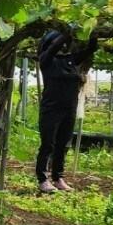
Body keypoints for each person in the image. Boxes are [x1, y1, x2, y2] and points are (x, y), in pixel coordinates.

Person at [35, 29, 97, 194]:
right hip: (51, 109)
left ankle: (58, 177)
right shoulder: (46, 60)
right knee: (48, 144)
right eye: (59, 43)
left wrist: (93, 31)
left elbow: (91, 49)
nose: (63, 46)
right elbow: (54, 47)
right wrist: (68, 31)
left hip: (69, 109)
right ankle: (43, 179)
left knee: (63, 144)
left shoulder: (70, 60)